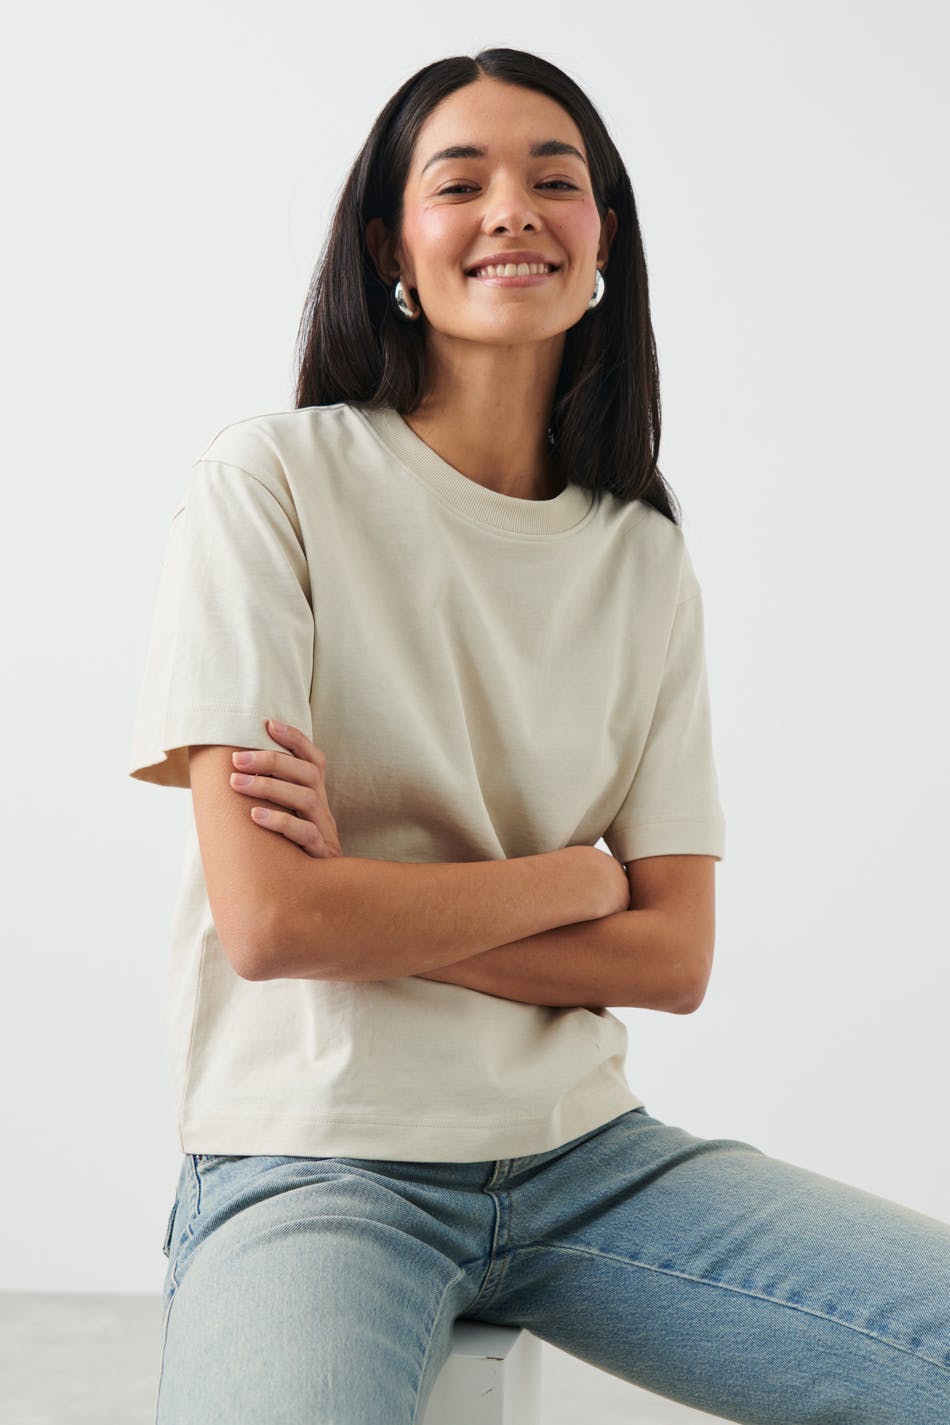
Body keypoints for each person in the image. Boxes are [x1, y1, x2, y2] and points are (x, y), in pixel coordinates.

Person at [128, 46, 950, 1425]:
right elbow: (272, 924)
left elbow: (670, 957)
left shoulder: (641, 557)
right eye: (460, 183)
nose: (511, 207)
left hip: (588, 1159)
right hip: (314, 1158)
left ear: (601, 239)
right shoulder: (271, 483)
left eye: (553, 180)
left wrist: (368, 904)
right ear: (390, 247)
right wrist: (570, 881)